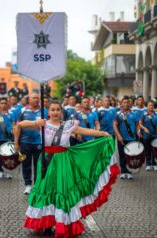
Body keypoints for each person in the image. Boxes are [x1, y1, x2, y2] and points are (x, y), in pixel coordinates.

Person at [22, 100, 119, 237]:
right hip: (46, 161)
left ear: (61, 111)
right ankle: (47, 223)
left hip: (63, 161)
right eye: (52, 109)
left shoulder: (68, 125)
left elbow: (85, 130)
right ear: (48, 112)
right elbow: (21, 124)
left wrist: (103, 134)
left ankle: (61, 222)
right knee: (46, 189)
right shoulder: (43, 124)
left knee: (62, 190)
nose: (55, 112)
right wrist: (37, 123)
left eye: (57, 109)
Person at [14, 93, 48, 194]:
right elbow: (18, 126)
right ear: (29, 99)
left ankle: (37, 185)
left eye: (38, 98)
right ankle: (28, 185)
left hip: (39, 142)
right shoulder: (22, 111)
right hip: (25, 142)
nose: (36, 99)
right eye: (34, 98)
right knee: (26, 164)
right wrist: (16, 142)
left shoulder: (44, 111)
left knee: (39, 165)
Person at [113, 97, 139, 179]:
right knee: (122, 155)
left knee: (131, 155)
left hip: (132, 138)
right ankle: (123, 171)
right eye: (124, 102)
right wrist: (119, 136)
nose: (126, 104)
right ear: (121, 103)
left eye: (127, 102)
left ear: (130, 104)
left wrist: (138, 132)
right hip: (122, 138)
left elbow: (138, 124)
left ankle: (128, 170)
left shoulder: (134, 114)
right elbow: (115, 125)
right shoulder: (118, 114)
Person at [139, 101, 157, 171]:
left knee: (154, 150)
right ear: (147, 107)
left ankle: (153, 163)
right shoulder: (144, 114)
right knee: (147, 150)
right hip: (147, 135)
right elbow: (140, 124)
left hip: (155, 134)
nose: (151, 106)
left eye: (152, 105)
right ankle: (148, 164)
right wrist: (144, 128)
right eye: (149, 105)